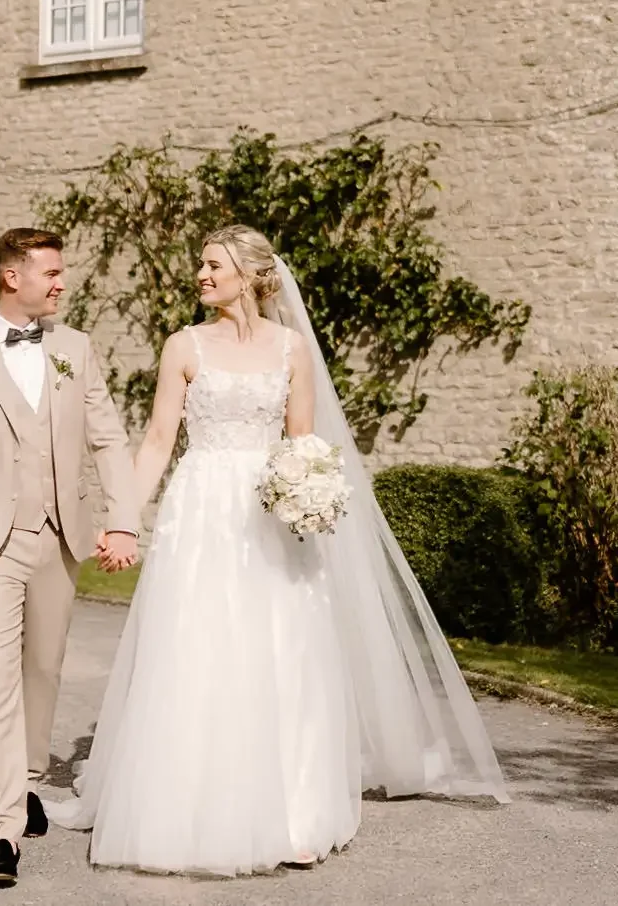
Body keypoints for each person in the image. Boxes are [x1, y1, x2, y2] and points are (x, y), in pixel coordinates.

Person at [47, 224, 509, 876]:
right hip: (202, 509)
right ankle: (190, 811)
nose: (201, 275)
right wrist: (123, 516)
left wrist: (307, 495)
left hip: (269, 514)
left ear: (249, 273)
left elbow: (303, 444)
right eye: (201, 265)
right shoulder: (184, 345)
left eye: (213, 264)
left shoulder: (293, 351)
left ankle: (294, 813)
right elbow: (155, 441)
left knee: (284, 651)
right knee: (196, 649)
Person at [0, 227, 140, 890]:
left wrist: (124, 522)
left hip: (61, 538)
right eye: (51, 272)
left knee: (43, 670)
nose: (61, 283)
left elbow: (108, 440)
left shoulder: (76, 350)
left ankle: (32, 782)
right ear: (12, 276)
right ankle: (4, 830)